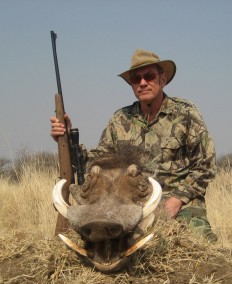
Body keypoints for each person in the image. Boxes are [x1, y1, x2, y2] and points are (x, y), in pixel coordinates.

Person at [50, 49, 217, 242]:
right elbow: (97, 163)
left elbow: (206, 165)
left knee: (197, 247)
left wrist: (176, 200)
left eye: (149, 76)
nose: (143, 83)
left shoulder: (186, 113)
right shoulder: (120, 119)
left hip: (178, 204)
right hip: (129, 203)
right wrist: (68, 141)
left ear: (162, 79)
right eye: (136, 79)